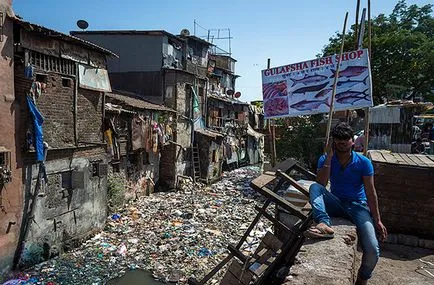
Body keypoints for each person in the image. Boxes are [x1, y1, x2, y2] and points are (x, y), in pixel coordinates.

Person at [306, 122, 387, 285]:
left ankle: (362, 278)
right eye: (338, 139)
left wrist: (377, 219)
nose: (342, 142)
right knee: (314, 187)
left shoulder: (363, 162)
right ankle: (324, 223)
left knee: (372, 249)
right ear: (333, 141)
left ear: (352, 141)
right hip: (336, 203)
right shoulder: (325, 159)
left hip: (358, 207)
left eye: (346, 139)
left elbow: (371, 193)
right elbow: (321, 183)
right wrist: (328, 157)